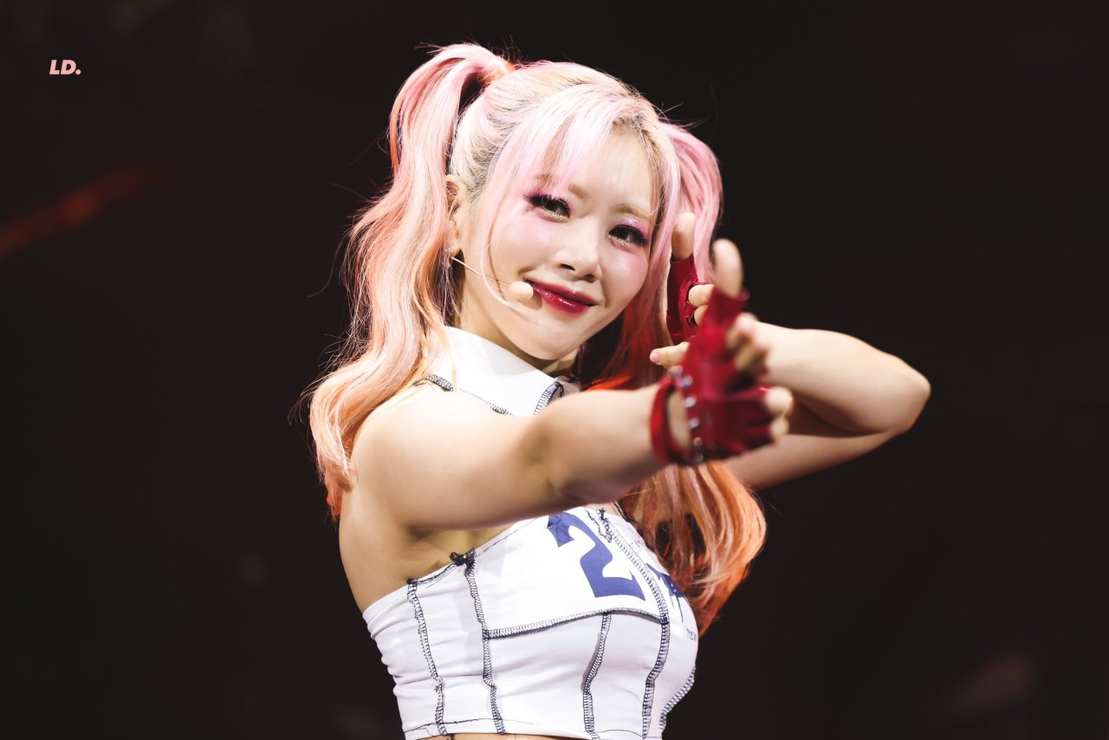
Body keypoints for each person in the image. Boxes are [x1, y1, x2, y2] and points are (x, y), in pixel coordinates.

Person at [302, 43, 930, 740]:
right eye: (550, 205)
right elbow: (551, 457)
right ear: (455, 212)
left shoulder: (626, 461)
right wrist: (674, 417)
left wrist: (749, 346)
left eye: (626, 233)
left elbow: (889, 402)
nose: (584, 259)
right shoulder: (406, 430)